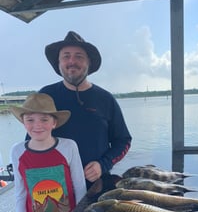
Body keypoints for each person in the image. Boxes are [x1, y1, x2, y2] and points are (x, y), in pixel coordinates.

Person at [39, 31, 132, 189]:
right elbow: (31, 141)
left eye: (79, 56)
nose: (72, 61)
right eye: (66, 56)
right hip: (55, 185)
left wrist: (103, 164)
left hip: (97, 185)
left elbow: (123, 140)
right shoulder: (46, 96)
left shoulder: (105, 99)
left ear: (89, 62)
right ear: (59, 62)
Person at [10, 93, 87, 212]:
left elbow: (79, 186)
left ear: (54, 122)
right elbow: (20, 192)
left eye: (44, 119)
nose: (37, 125)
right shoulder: (17, 151)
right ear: (23, 122)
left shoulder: (68, 146)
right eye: (30, 119)